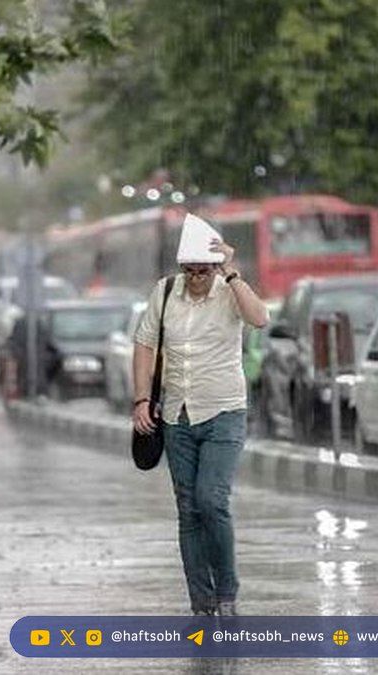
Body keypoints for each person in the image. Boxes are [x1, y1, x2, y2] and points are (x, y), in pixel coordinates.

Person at [132, 214, 269, 617]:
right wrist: (142, 400)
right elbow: (144, 346)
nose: (195, 278)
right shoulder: (166, 291)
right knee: (188, 507)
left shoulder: (230, 291)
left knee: (212, 500)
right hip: (176, 415)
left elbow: (260, 318)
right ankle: (201, 601)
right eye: (189, 271)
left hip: (223, 410)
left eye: (203, 271)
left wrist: (231, 274)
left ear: (214, 267)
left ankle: (227, 591)